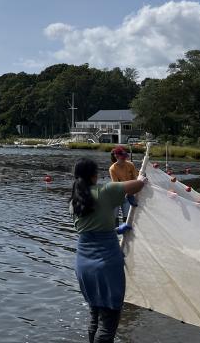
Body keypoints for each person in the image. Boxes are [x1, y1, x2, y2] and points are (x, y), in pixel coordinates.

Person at [71, 157, 146, 343]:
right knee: (108, 324)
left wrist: (116, 230)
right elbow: (138, 184)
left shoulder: (74, 201)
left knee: (95, 316)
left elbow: (91, 229)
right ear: (94, 175)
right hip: (106, 265)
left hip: (83, 265)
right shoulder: (106, 190)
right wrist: (143, 177)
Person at [108, 146, 138, 223]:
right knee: (114, 218)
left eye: (125, 157)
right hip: (116, 194)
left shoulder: (131, 165)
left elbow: (135, 180)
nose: (124, 159)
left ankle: (126, 228)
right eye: (122, 158)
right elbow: (116, 184)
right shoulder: (112, 168)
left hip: (129, 194)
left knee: (127, 218)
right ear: (117, 157)